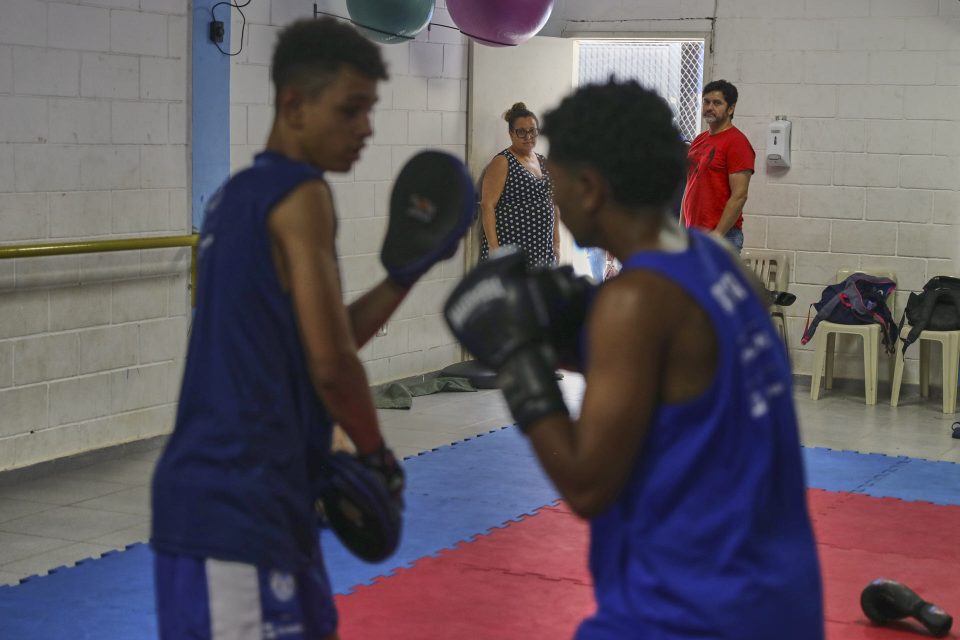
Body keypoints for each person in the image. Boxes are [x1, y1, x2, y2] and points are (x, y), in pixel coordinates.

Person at [444, 80, 823, 639]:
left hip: (687, 611)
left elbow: (588, 484)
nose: (557, 195)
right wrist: (566, 329)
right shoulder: (722, 262)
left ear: (590, 187)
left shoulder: (637, 301)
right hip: (781, 598)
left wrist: (519, 359)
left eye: (561, 181)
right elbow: (675, 372)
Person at [150, 18, 465, 640]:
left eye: (370, 111)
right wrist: (375, 453)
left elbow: (322, 340)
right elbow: (331, 365)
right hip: (233, 504)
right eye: (352, 110)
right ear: (294, 104)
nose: (366, 129)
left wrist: (404, 276)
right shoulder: (302, 195)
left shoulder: (239, 195)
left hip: (261, 501)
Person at [479, 102, 560, 269]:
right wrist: (495, 250)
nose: (528, 136)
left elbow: (554, 205)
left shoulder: (544, 162)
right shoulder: (503, 161)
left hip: (542, 250)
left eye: (532, 131)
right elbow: (488, 205)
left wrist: (557, 243)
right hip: (511, 250)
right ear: (511, 134)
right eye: (521, 132)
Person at [681, 79, 755, 254]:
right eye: (706, 101)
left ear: (731, 108)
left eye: (717, 103)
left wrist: (717, 236)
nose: (709, 107)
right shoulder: (699, 140)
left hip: (722, 237)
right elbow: (690, 187)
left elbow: (739, 196)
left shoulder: (737, 143)